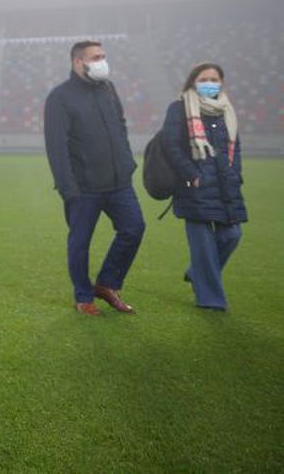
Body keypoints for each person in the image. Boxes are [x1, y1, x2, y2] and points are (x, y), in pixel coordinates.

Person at [44, 40, 146, 316]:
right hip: (83, 188)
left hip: (119, 182)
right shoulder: (59, 97)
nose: (103, 61)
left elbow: (121, 124)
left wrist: (125, 161)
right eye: (96, 57)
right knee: (80, 243)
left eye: (103, 56)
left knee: (134, 229)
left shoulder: (108, 89)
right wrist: (68, 189)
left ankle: (107, 284)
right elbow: (56, 146)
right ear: (79, 62)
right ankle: (83, 296)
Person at [160, 62, 246, 311]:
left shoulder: (225, 111)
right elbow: (171, 144)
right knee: (203, 244)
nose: (210, 83)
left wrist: (235, 173)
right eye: (204, 79)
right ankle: (211, 299)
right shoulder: (178, 108)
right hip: (194, 185)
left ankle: (197, 272)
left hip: (224, 184)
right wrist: (190, 173)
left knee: (232, 235)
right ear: (193, 82)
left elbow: (235, 147)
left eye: (215, 79)